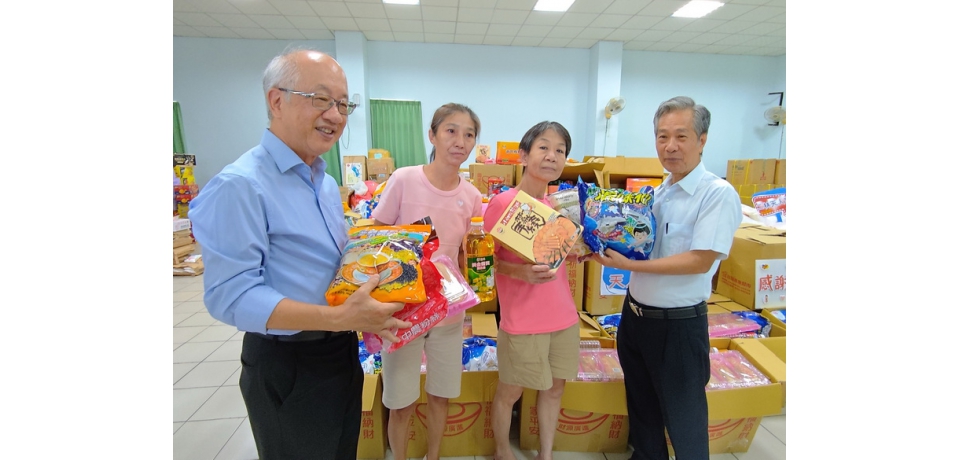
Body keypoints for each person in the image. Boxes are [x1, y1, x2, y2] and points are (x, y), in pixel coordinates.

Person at [188, 49, 412, 460]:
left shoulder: (324, 182)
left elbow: (329, 263)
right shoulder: (240, 186)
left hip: (338, 351)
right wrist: (338, 317)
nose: (336, 115)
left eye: (343, 104)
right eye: (321, 99)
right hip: (288, 362)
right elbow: (231, 296)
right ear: (276, 100)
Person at [589, 96, 742, 460]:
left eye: (681, 136)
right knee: (643, 411)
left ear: (702, 140)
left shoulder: (716, 194)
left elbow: (699, 261)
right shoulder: (658, 193)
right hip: (636, 319)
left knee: (685, 420)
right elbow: (638, 244)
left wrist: (627, 267)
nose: (670, 146)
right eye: (662, 137)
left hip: (678, 328)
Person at [370, 103, 484, 460]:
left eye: (469, 134)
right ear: (432, 135)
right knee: (401, 402)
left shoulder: (472, 196)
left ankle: (432, 456)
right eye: (451, 131)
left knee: (441, 394)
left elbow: (472, 252)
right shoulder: (404, 179)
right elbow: (376, 236)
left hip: (449, 315)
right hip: (404, 313)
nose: (459, 141)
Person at [483, 121, 581, 460]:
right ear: (523, 155)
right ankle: (501, 450)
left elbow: (563, 257)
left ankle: (547, 454)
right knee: (511, 391)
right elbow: (483, 263)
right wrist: (519, 271)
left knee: (555, 389)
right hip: (523, 320)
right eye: (543, 147)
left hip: (565, 317)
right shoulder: (503, 204)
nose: (552, 156)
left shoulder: (563, 207)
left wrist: (581, 253)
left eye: (560, 150)